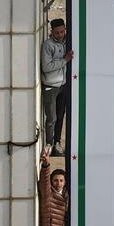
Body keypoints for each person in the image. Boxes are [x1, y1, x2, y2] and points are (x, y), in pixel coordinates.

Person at [41, 19, 73, 152]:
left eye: (62, 31)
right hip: (50, 86)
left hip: (63, 85)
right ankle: (48, 143)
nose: (60, 34)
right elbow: (46, 67)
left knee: (61, 115)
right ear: (51, 31)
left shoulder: (68, 41)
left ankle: (57, 143)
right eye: (57, 32)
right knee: (51, 117)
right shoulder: (48, 45)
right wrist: (65, 60)